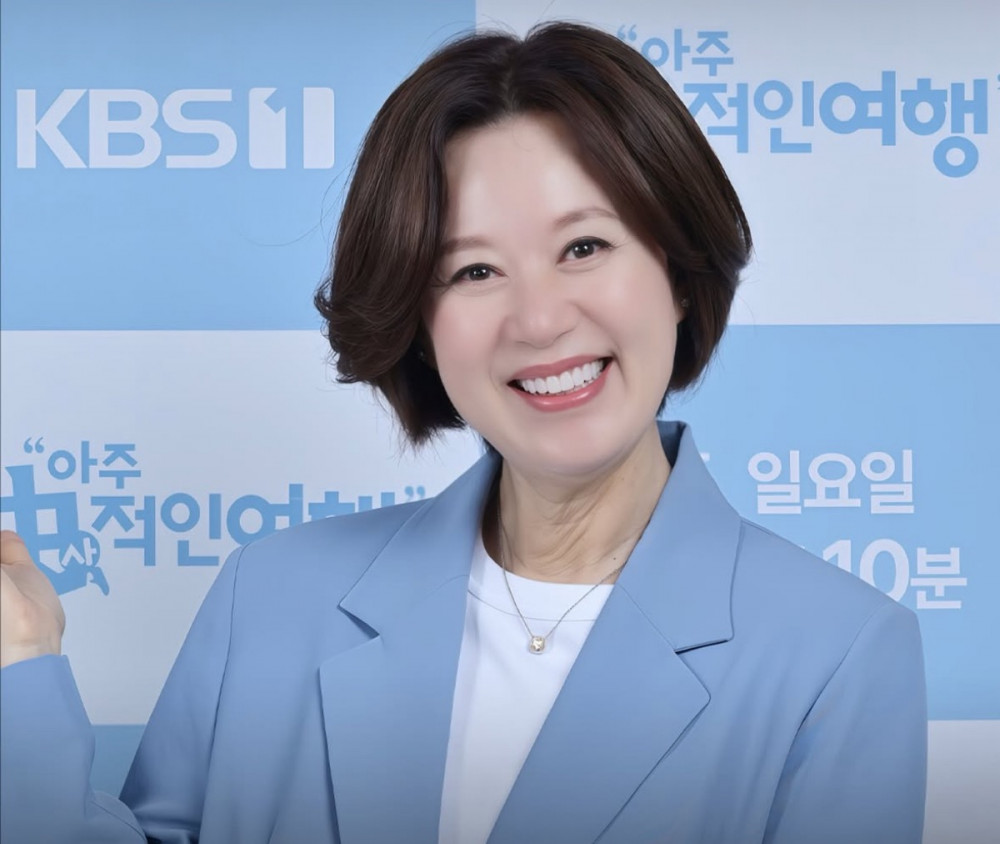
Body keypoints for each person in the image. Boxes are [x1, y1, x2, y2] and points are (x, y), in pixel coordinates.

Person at [0, 21, 927, 844]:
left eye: (585, 247)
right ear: (419, 319)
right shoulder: (270, 598)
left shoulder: (838, 654)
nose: (540, 321)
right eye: (474, 271)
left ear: (679, 275)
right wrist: (20, 669)